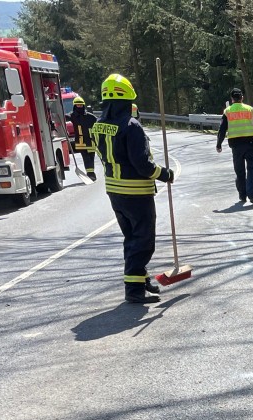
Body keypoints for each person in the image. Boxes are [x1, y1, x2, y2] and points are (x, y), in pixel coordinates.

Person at [90, 73, 175, 304]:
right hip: (136, 192)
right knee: (143, 240)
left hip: (114, 192)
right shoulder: (131, 126)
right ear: (128, 100)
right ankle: (134, 291)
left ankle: (141, 278)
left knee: (132, 237)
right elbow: (143, 165)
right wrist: (164, 174)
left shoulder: (98, 126)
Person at [216, 87, 253, 206]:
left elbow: (222, 129)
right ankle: (252, 195)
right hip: (250, 144)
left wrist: (219, 144)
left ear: (232, 99)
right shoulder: (250, 110)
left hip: (236, 146)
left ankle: (242, 195)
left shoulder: (228, 111)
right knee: (252, 169)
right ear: (242, 97)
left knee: (240, 171)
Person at [69, 95, 98, 180]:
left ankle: (91, 173)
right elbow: (64, 118)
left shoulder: (90, 116)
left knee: (91, 157)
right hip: (81, 141)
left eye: (81, 105)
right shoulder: (72, 116)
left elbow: (98, 122)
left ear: (83, 105)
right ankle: (90, 174)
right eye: (78, 105)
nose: (79, 106)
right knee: (85, 157)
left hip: (91, 141)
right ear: (75, 106)